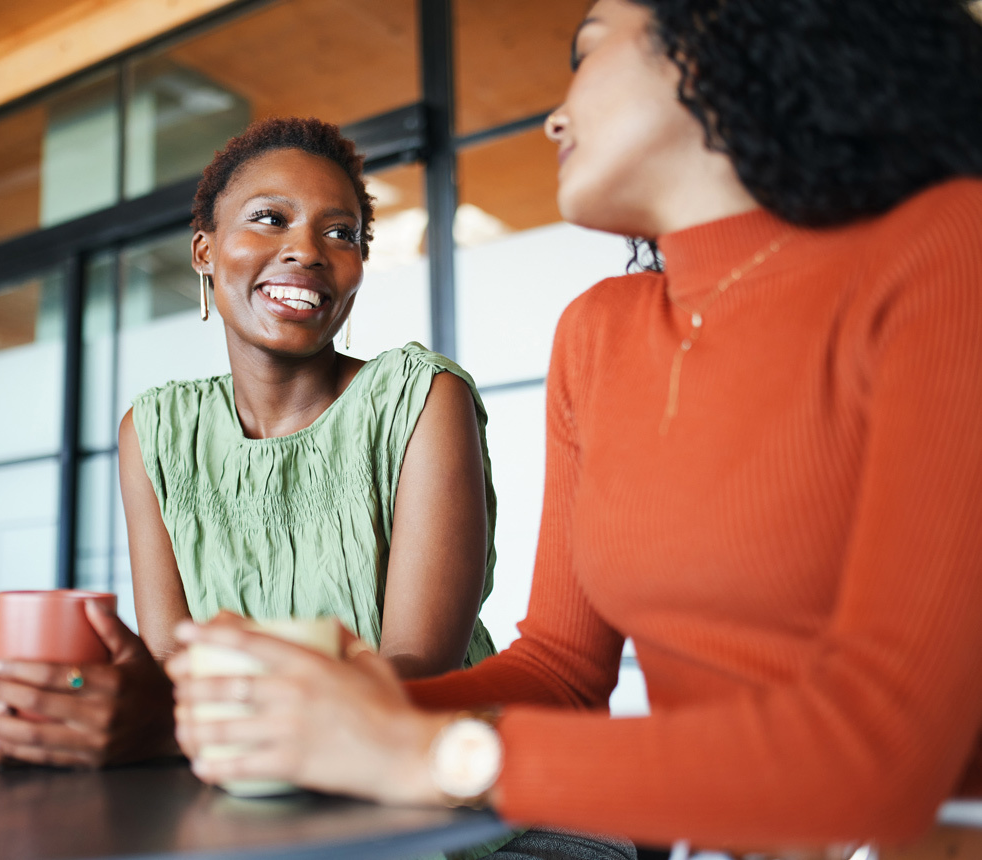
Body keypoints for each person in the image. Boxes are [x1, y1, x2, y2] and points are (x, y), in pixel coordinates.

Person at [166, 0, 982, 854]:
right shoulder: (600, 331)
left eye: (586, 53)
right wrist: (333, 706)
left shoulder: (945, 251)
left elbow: (881, 750)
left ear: (714, 41)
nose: (555, 116)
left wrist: (426, 752)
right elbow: (562, 670)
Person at [0, 118, 500, 767]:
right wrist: (71, 702)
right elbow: (169, 664)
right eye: (270, 218)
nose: (307, 251)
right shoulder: (155, 433)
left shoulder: (422, 398)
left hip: (428, 774)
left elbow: (421, 670)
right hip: (235, 777)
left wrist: (174, 713)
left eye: (340, 233)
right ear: (204, 252)